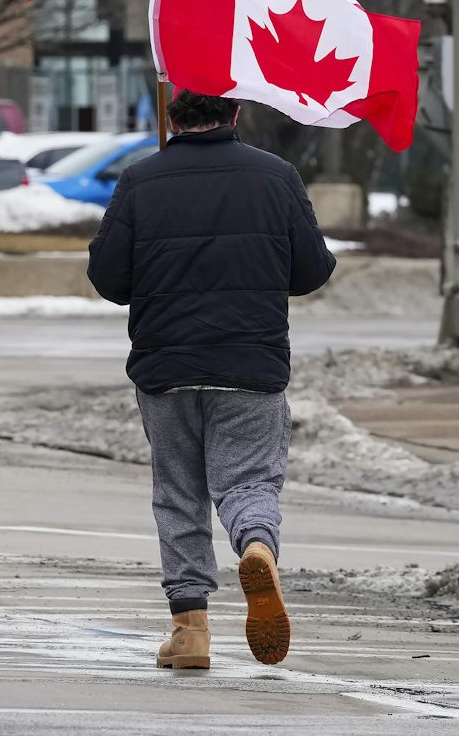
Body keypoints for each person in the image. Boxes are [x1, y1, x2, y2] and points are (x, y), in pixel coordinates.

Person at [86, 90, 335, 671]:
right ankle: (254, 545)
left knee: (179, 495)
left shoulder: (141, 179)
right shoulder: (277, 176)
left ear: (170, 114)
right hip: (251, 365)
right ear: (236, 113)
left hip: (165, 366)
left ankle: (190, 630)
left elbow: (107, 275)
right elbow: (312, 270)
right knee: (248, 481)